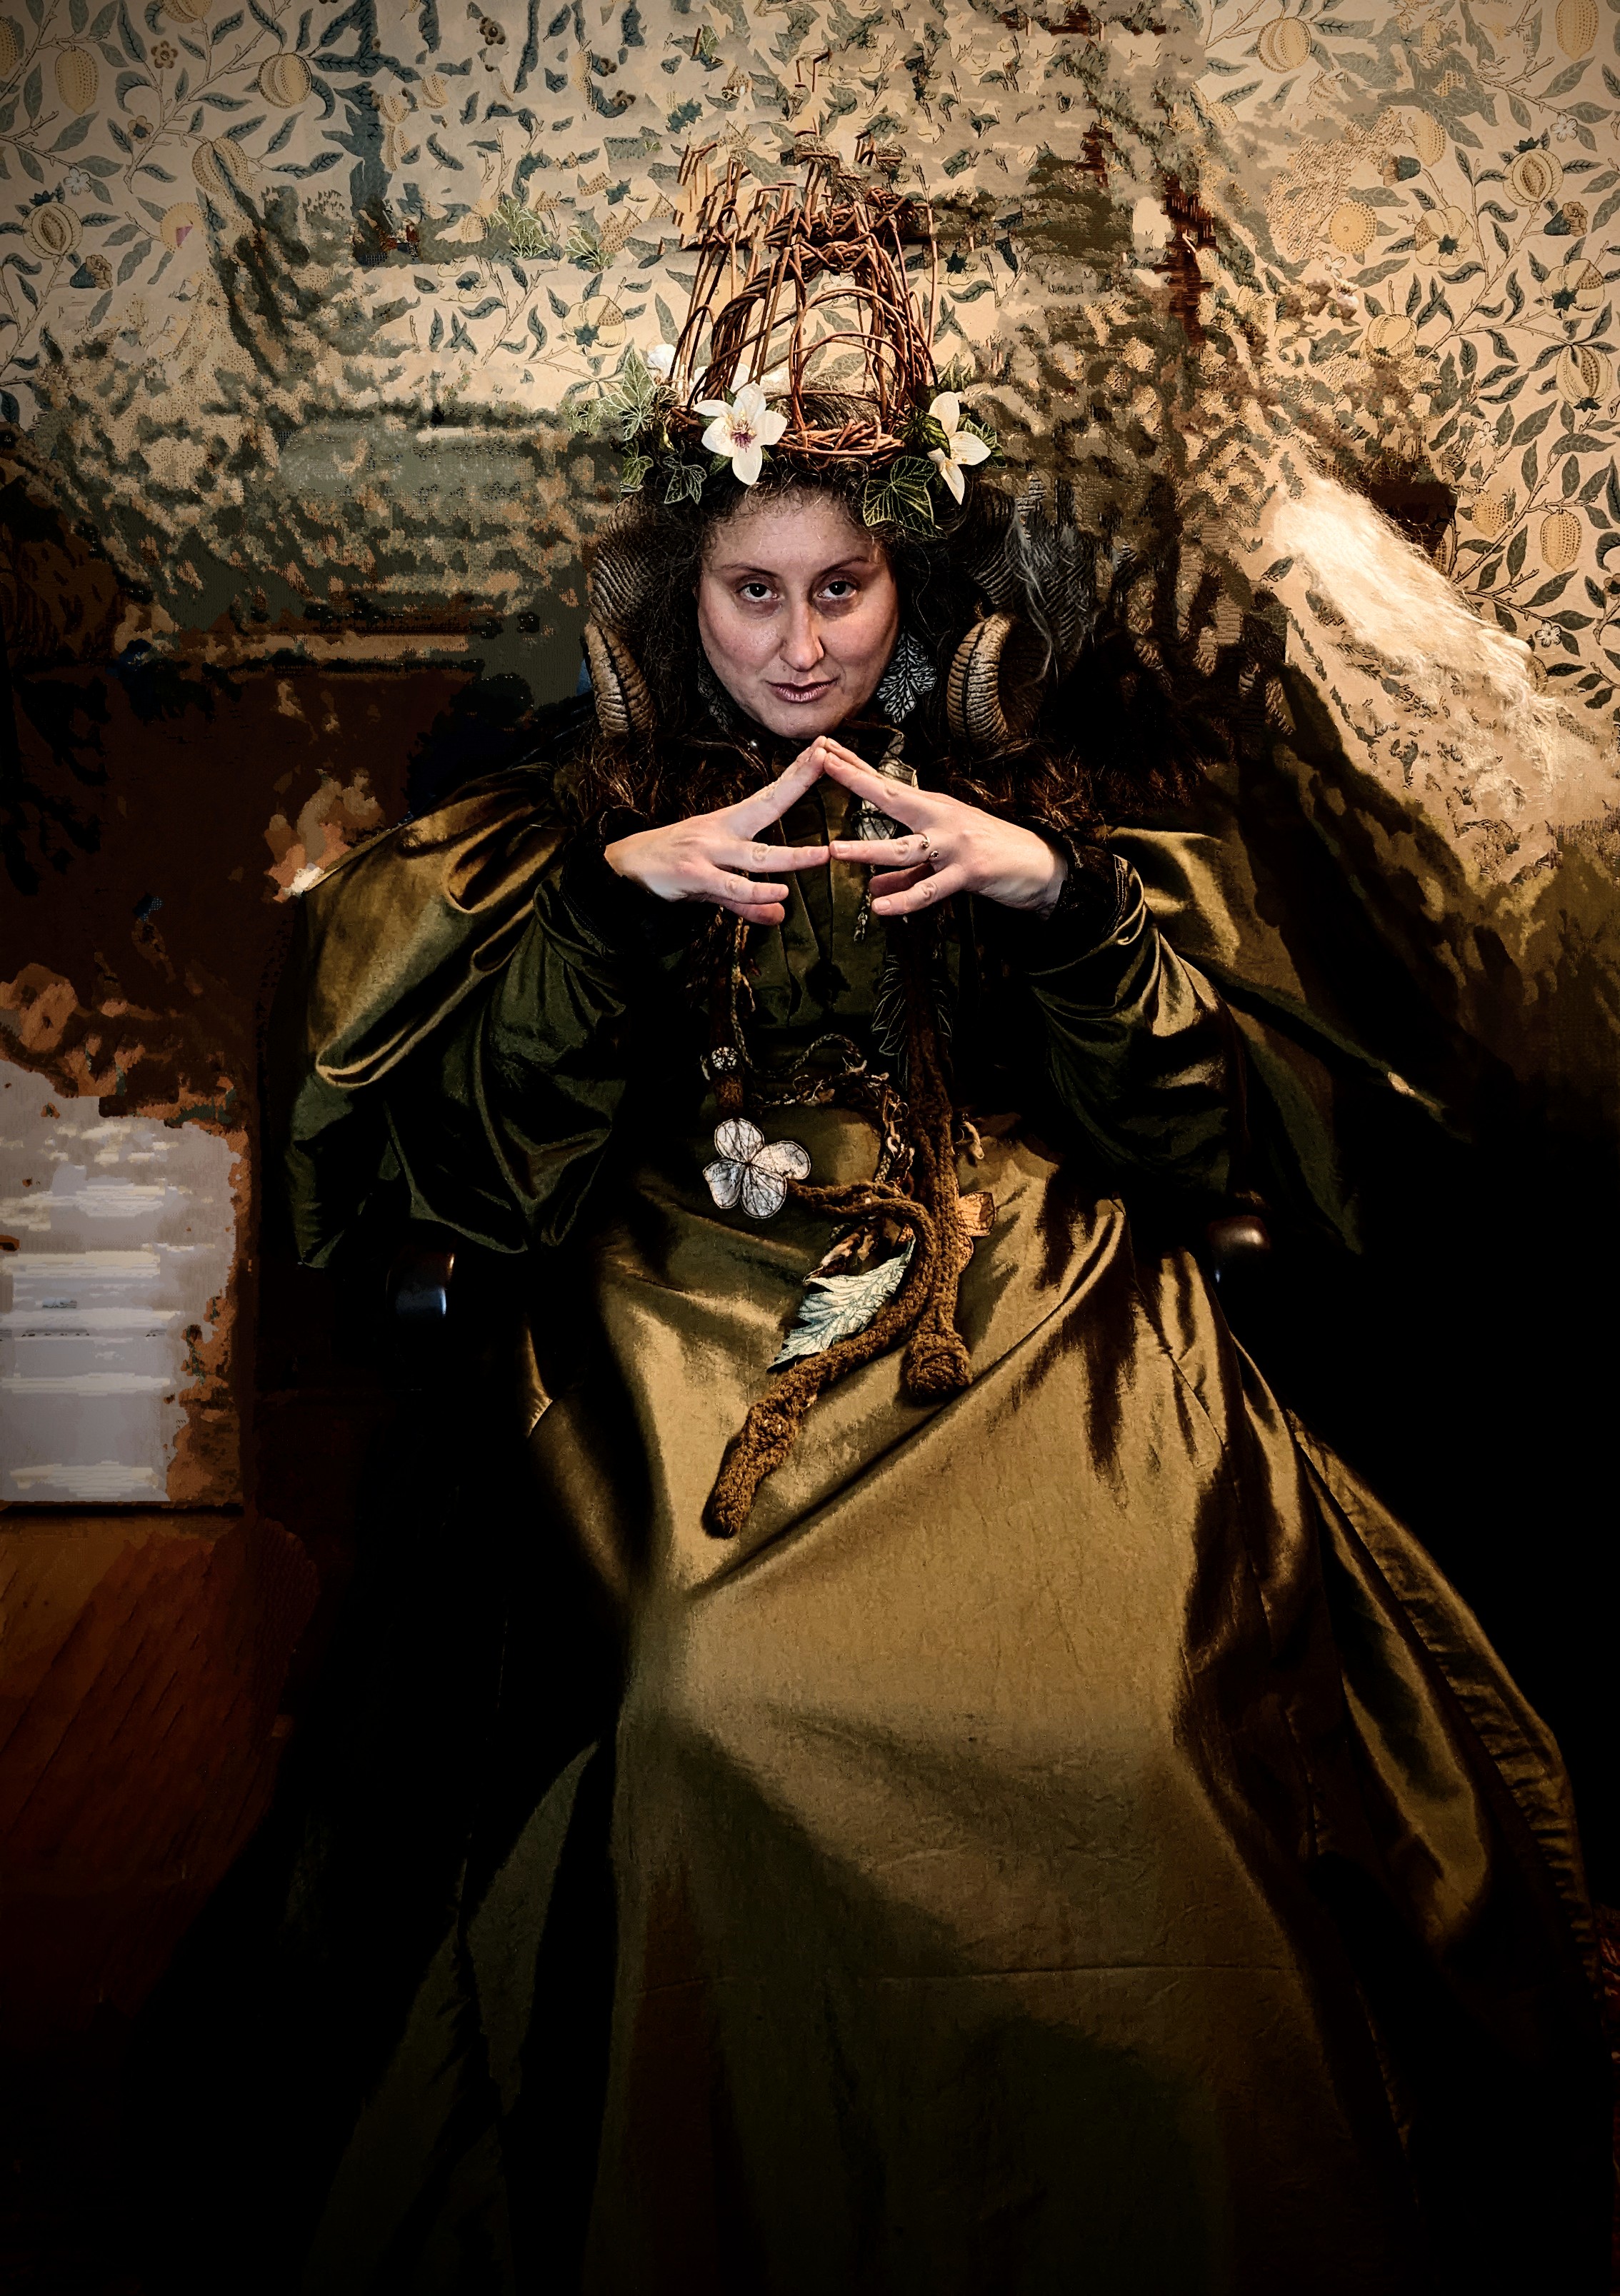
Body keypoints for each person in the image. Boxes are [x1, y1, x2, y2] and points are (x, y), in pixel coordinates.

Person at [253, 176, 1611, 2295]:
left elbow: (1220, 1139)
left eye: (844, 589)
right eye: (752, 594)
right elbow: (462, 1185)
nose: (800, 647)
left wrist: (1056, 908)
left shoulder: (1034, 791)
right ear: (680, 596)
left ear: (912, 580)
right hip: (691, 1264)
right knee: (709, 1698)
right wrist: (612, 913)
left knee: (1132, 1722)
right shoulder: (568, 821)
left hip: (1021, 1266)